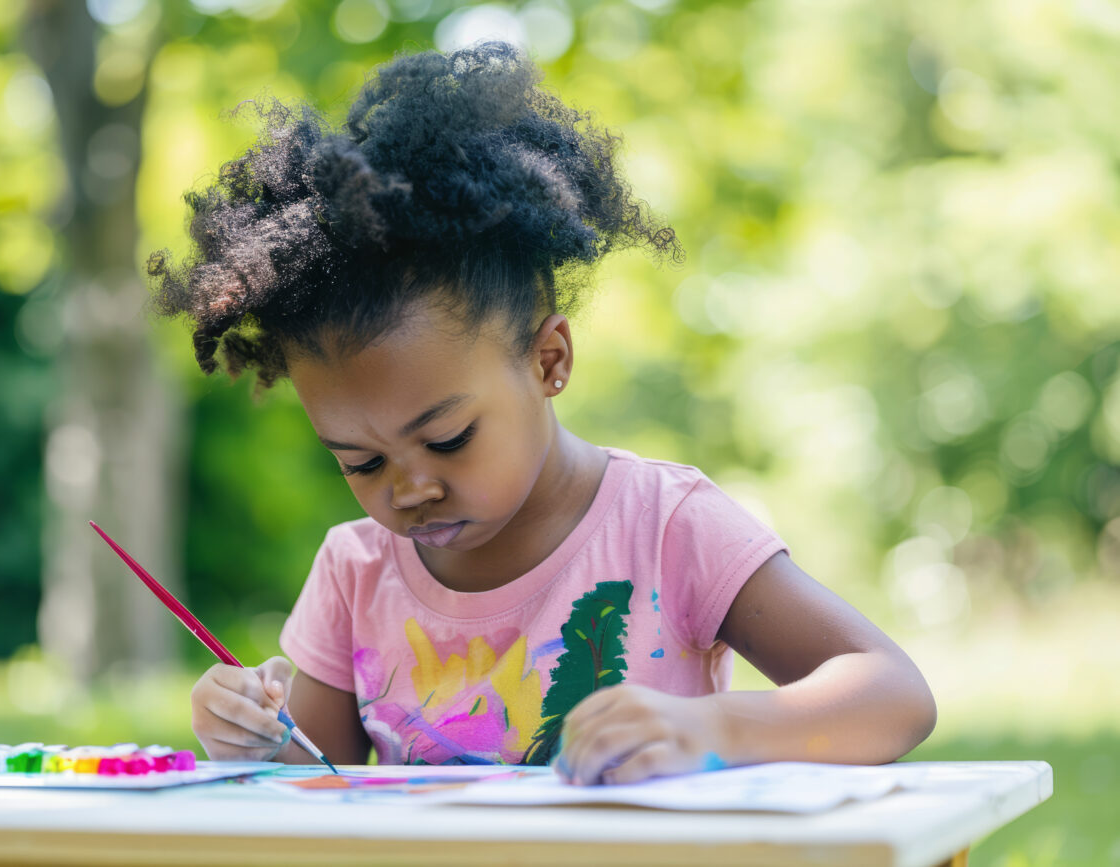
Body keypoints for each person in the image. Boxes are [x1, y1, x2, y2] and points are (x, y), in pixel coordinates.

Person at [149, 41, 936, 785]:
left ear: (549, 359)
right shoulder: (354, 574)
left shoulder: (667, 526)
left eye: (448, 437)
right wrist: (253, 738)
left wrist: (716, 729)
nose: (410, 486)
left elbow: (893, 694)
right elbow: (323, 785)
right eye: (360, 460)